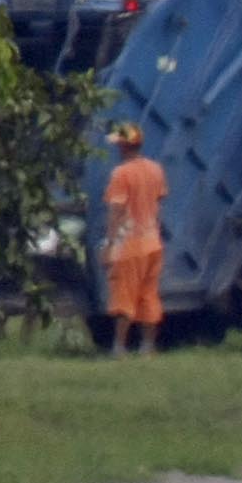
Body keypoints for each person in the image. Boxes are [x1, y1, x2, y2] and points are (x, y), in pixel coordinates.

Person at [99, 122, 167, 357]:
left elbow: (116, 211)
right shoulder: (155, 169)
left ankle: (119, 347)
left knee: (123, 297)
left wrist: (108, 246)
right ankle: (147, 347)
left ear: (124, 146)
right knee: (148, 296)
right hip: (153, 242)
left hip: (130, 244)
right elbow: (159, 202)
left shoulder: (121, 174)